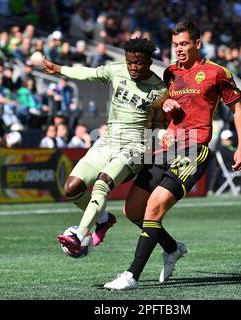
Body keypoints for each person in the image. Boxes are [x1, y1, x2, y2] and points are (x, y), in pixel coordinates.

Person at [103, 21, 241, 290]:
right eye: (175, 45)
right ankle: (171, 248)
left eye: (184, 44)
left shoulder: (217, 73)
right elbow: (159, 108)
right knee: (132, 210)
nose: (179, 49)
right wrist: (163, 103)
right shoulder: (169, 73)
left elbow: (237, 110)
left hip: (194, 149)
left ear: (197, 44)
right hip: (166, 148)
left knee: (153, 208)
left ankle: (132, 275)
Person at [42, 38, 168, 253]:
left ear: (149, 62)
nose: (133, 67)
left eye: (139, 63)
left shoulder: (159, 90)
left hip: (135, 147)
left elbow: (159, 124)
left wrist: (164, 135)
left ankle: (80, 234)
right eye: (130, 62)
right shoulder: (116, 71)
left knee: (103, 183)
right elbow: (89, 73)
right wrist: (60, 69)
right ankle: (104, 219)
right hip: (108, 141)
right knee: (72, 188)